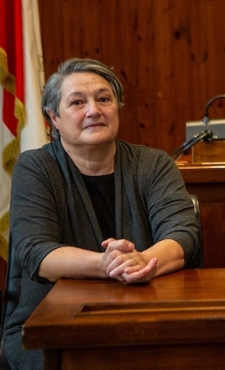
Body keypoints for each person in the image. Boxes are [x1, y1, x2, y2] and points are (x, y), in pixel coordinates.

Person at [2, 58, 201, 370]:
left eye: (104, 99)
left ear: (117, 107)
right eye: (77, 102)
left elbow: (183, 236)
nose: (93, 110)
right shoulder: (35, 168)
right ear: (53, 117)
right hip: (51, 325)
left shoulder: (154, 164)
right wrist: (105, 264)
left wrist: (141, 262)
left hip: (148, 318)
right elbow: (37, 253)